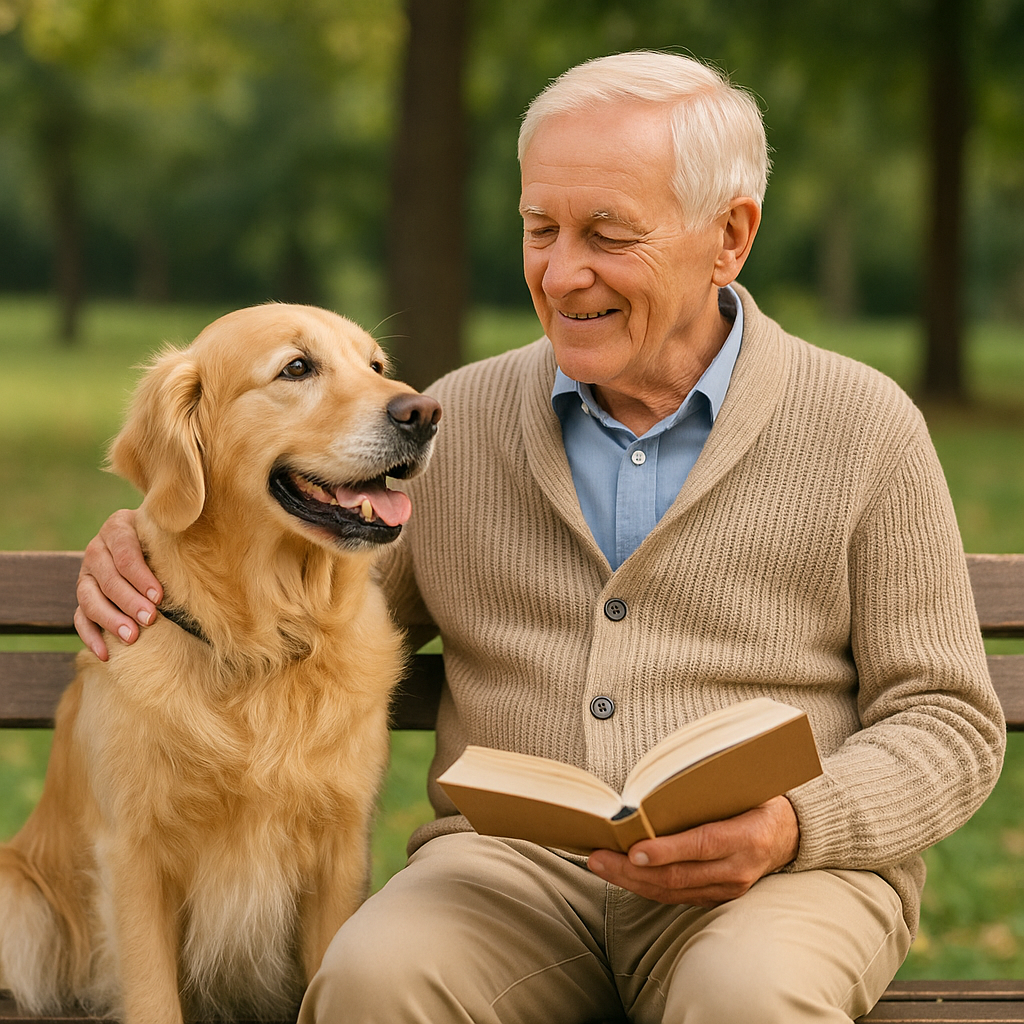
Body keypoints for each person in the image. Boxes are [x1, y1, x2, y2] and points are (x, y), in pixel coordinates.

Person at [76, 51, 1005, 1023]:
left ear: (729, 236)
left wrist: (790, 824)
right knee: (371, 978)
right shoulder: (454, 420)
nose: (562, 274)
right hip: (506, 876)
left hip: (778, 879)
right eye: (539, 230)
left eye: (608, 234)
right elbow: (296, 595)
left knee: (744, 997)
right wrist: (150, 542)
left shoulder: (862, 424)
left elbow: (948, 716)